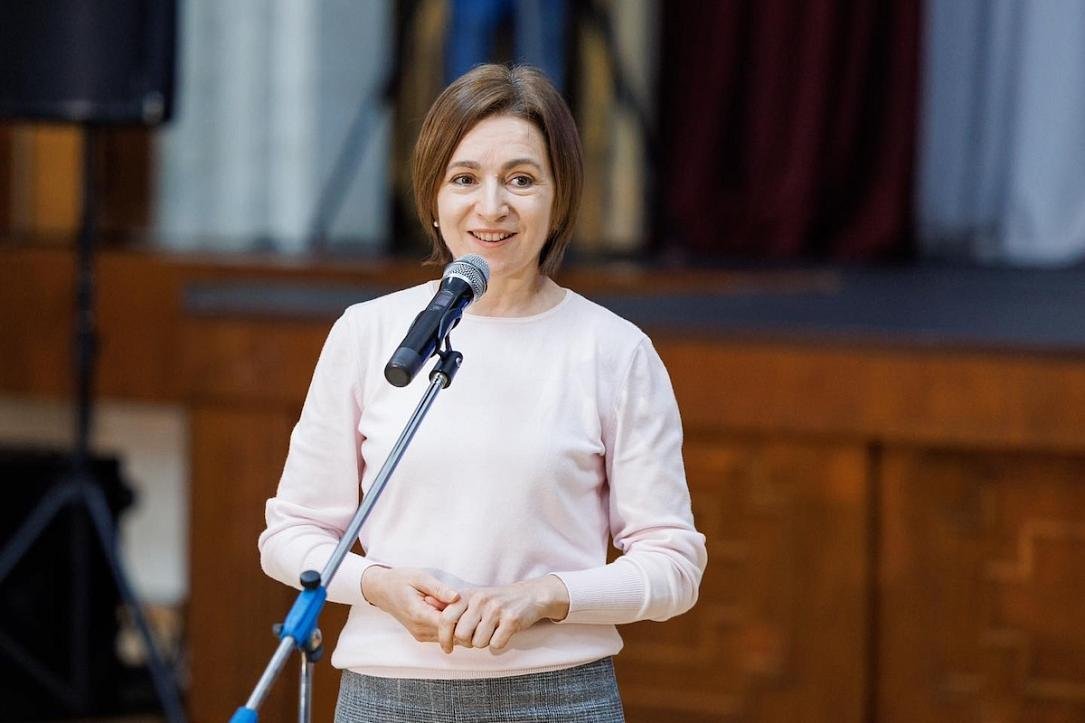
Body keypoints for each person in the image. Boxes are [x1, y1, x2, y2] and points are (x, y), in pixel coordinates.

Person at [259, 64, 707, 722]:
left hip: (559, 697)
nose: (491, 206)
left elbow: (673, 566)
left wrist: (545, 595)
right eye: (464, 178)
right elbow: (289, 534)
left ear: (558, 196)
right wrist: (378, 585)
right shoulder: (370, 334)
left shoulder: (615, 351)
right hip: (385, 694)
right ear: (432, 195)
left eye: (521, 179)